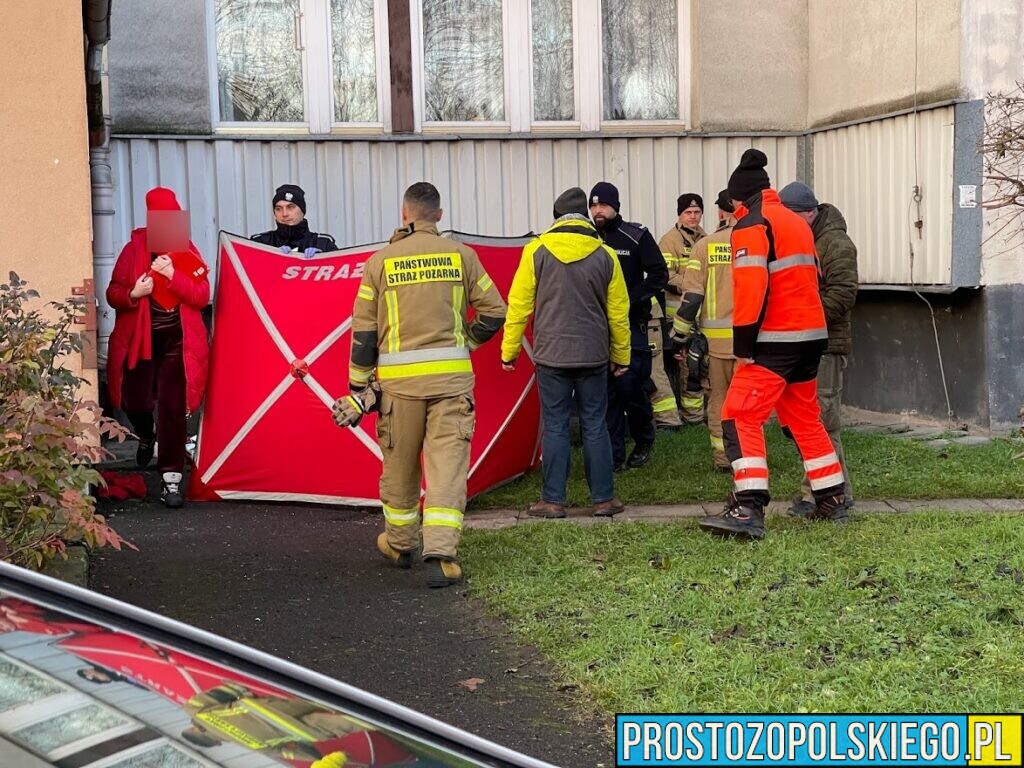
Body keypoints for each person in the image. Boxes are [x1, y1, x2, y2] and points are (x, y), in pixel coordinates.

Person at [333, 182, 507, 588]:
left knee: (399, 466)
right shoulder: (462, 256)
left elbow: (364, 332)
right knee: (447, 468)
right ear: (439, 216)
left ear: (404, 213)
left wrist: (360, 387)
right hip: (451, 384)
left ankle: (400, 545)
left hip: (397, 389)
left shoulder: (380, 263)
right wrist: (467, 340)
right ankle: (442, 556)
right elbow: (494, 312)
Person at [697, 149, 846, 540]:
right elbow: (812, 279)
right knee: (803, 418)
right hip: (812, 337)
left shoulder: (751, 224)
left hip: (775, 340)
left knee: (738, 413)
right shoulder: (795, 223)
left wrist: (744, 348)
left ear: (737, 200)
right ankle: (831, 495)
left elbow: (751, 289)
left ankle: (747, 508)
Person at [501, 187, 631, 518]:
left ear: (556, 217)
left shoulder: (536, 252)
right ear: (586, 217)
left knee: (556, 424)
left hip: (551, 356)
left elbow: (518, 306)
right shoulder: (606, 255)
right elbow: (618, 313)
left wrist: (509, 351)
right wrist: (623, 357)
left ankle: (553, 500)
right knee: (594, 424)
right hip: (594, 355)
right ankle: (603, 500)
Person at [105, 187, 210, 508]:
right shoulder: (133, 250)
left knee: (172, 408)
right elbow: (113, 293)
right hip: (141, 341)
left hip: (178, 342)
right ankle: (146, 434)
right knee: (133, 401)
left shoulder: (187, 251)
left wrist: (173, 275)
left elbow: (201, 295)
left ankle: (171, 479)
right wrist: (134, 294)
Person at [779, 182, 858, 515]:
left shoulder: (835, 243)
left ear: (808, 214)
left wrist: (802, 316)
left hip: (825, 344)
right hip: (808, 341)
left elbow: (842, 295)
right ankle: (825, 491)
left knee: (823, 422)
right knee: (813, 421)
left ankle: (826, 494)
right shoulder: (809, 238)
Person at [589, 181, 668, 471]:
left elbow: (659, 273)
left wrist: (631, 300)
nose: (598, 210)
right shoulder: (587, 239)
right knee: (607, 392)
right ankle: (615, 456)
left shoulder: (635, 236)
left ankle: (645, 437)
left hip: (632, 323)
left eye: (604, 205)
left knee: (629, 386)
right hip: (598, 328)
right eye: (594, 205)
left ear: (615, 207)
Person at [672, 189, 738, 471]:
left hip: (716, 346)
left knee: (719, 401)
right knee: (748, 405)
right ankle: (750, 458)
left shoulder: (705, 246)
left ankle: (724, 459)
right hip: (752, 344)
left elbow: (692, 298)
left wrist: (679, 337)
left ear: (721, 213)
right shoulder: (759, 243)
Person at [661, 193, 708, 425]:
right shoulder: (670, 241)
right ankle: (693, 417)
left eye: (697, 212)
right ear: (680, 214)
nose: (693, 216)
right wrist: (692, 285)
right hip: (679, 318)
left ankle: (700, 415)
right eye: (688, 212)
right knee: (688, 368)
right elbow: (665, 276)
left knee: (700, 367)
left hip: (702, 318)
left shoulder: (706, 239)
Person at [251, 184, 338, 257]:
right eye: (278, 209)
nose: (284, 214)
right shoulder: (260, 243)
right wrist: (267, 258)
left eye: (290, 207)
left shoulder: (324, 244)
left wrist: (323, 259)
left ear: (303, 211)